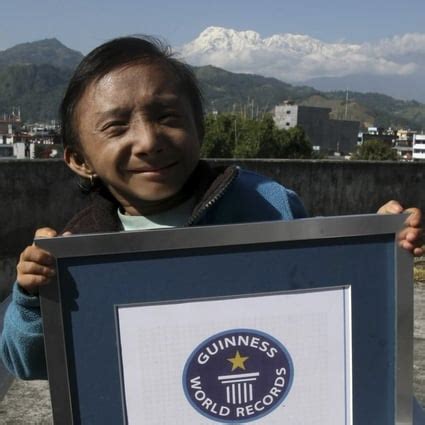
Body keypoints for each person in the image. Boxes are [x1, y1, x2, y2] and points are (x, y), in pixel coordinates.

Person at [0, 36, 423, 387]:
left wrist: (376, 246)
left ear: (200, 127)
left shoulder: (266, 201)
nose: (149, 140)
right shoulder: (79, 249)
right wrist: (34, 299)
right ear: (79, 159)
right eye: (116, 127)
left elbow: (324, 293)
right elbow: (28, 363)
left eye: (167, 116)